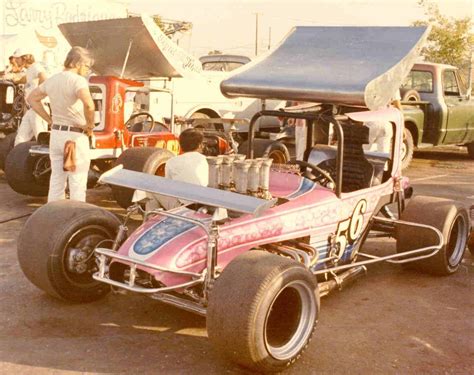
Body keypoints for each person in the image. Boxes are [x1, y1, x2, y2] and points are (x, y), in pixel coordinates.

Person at [27, 46, 95, 202]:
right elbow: (89, 105)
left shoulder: (53, 79)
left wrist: (49, 119)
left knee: (57, 179)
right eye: (86, 66)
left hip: (56, 134)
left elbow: (31, 99)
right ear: (78, 63)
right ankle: (76, 217)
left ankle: (54, 215)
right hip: (74, 137)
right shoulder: (78, 81)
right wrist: (90, 126)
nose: (87, 70)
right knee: (77, 181)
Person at [145, 128, 209, 210]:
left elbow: (169, 186)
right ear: (200, 145)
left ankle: (151, 220)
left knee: (151, 188)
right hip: (205, 207)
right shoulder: (206, 160)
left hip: (183, 208)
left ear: (180, 145)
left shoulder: (172, 161)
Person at [13, 49, 49, 146]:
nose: (15, 61)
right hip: (31, 110)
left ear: (25, 58)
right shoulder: (30, 70)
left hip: (38, 109)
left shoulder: (36, 67)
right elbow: (25, 79)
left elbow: (44, 78)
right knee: (19, 141)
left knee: (42, 140)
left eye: (17, 59)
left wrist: (38, 96)